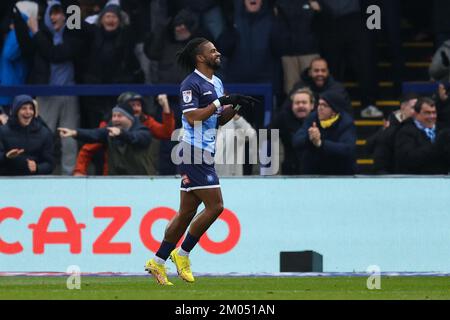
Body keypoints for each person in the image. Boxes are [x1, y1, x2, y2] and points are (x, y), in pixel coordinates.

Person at [144, 37, 257, 285]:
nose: (218, 53)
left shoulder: (216, 82)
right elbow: (193, 117)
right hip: (193, 151)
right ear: (200, 57)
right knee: (216, 206)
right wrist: (219, 102)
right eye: (212, 50)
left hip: (205, 151)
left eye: (217, 49)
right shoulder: (190, 84)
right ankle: (182, 254)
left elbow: (217, 120)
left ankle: (158, 261)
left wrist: (236, 105)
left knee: (186, 212)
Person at [72, 92, 175, 175]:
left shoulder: (146, 122)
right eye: (132, 105)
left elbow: (166, 133)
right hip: (113, 177)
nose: (136, 109)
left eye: (138, 105)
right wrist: (79, 172)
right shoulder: (108, 127)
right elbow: (87, 150)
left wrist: (165, 106)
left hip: (141, 177)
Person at [58, 102, 155, 175]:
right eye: (114, 116)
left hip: (142, 180)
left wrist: (122, 134)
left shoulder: (143, 131)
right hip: (115, 180)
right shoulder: (109, 131)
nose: (115, 119)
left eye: (119, 116)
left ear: (129, 118)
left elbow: (136, 138)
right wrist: (75, 133)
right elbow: (94, 134)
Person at [292, 90, 356, 175]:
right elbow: (296, 141)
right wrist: (310, 138)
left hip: (339, 173)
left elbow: (347, 149)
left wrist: (320, 143)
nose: (320, 108)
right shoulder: (313, 118)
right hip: (312, 172)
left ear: (334, 110)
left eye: (324, 105)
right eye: (319, 104)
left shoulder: (346, 123)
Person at [0, 94, 55, 175]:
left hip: (34, 181)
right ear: (16, 111)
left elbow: (50, 164)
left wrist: (37, 168)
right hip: (7, 179)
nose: (28, 112)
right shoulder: (2, 131)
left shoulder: (44, 133)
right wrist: (6, 156)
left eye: (31, 108)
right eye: (24, 108)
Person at [367, 92, 419, 174]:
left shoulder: (423, 126)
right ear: (403, 107)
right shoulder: (389, 126)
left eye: (419, 108)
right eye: (413, 108)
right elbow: (369, 146)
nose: (417, 111)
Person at [394, 97, 448, 174]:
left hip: (442, 180)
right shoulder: (405, 132)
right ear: (416, 114)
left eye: (434, 112)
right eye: (427, 113)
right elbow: (408, 160)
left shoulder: (442, 130)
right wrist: (436, 146)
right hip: (417, 181)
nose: (432, 116)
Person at [283, 57, 351, 114]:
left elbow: (348, 116)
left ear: (328, 72)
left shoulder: (338, 90)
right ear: (310, 72)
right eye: (316, 71)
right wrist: (275, 130)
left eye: (323, 70)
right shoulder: (299, 88)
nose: (320, 74)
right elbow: (281, 116)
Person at [271, 87, 315, 174]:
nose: (300, 105)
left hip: (315, 170)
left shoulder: (319, 118)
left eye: (304, 102)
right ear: (292, 105)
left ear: (312, 105)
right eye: (297, 103)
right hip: (291, 170)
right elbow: (265, 133)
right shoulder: (284, 118)